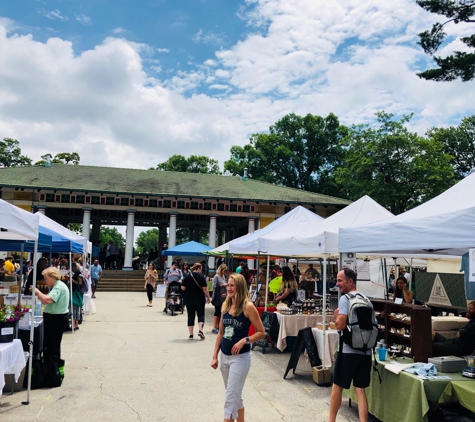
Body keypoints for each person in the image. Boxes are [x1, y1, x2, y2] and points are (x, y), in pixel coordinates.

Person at [211, 273, 266, 422]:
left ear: (240, 287)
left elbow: (262, 332)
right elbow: (220, 333)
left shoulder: (248, 306)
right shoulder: (226, 305)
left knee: (230, 398)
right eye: (228, 285)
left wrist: (245, 340)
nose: (228, 288)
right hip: (224, 357)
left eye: (232, 285)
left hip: (240, 358)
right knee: (234, 395)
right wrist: (215, 356)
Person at [328, 268, 371, 422]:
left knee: (337, 386)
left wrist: (336, 316)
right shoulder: (367, 300)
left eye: (340, 280)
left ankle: (331, 420)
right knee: (360, 390)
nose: (337, 284)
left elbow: (340, 325)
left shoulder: (346, 299)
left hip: (348, 350)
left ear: (350, 281)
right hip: (366, 352)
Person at [30, 267, 69, 366]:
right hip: (55, 317)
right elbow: (45, 300)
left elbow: (48, 300)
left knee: (51, 345)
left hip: (56, 319)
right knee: (53, 344)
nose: (44, 281)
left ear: (52, 277)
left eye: (45, 278)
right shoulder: (58, 286)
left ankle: (51, 368)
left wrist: (37, 291)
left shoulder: (58, 287)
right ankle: (52, 366)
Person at [181, 262, 211, 340]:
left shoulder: (187, 277)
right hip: (199, 298)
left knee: (191, 315)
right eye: (201, 268)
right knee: (201, 314)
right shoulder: (201, 277)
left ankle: (191, 334)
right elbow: (205, 289)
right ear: (198, 268)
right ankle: (200, 330)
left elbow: (183, 288)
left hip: (189, 298)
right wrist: (208, 297)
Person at [212, 264, 228, 334]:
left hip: (223, 296)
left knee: (221, 311)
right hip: (217, 296)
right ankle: (214, 327)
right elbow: (214, 286)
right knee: (217, 312)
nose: (225, 272)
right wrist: (223, 285)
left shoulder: (223, 276)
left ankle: (218, 326)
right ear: (221, 270)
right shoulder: (216, 276)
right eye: (224, 270)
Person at [71, 262, 84, 331]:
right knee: (76, 309)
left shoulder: (78, 274)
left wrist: (72, 280)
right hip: (77, 293)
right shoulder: (79, 272)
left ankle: (74, 324)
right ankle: (75, 324)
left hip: (76, 293)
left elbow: (80, 283)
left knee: (74, 309)